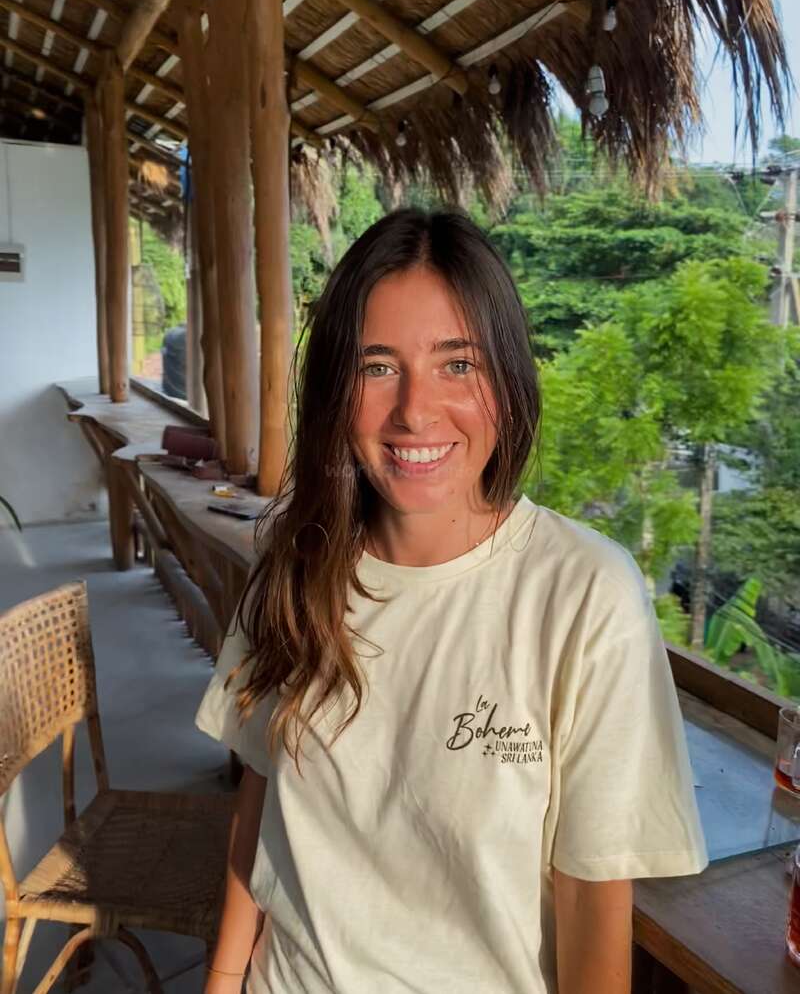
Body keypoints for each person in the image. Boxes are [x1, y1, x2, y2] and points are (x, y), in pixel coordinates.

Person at [196, 208, 708, 994]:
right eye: (377, 367)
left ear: (507, 376)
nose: (414, 410)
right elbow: (259, 801)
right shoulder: (295, 567)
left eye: (457, 364)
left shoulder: (582, 595)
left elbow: (591, 898)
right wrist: (223, 978)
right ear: (336, 387)